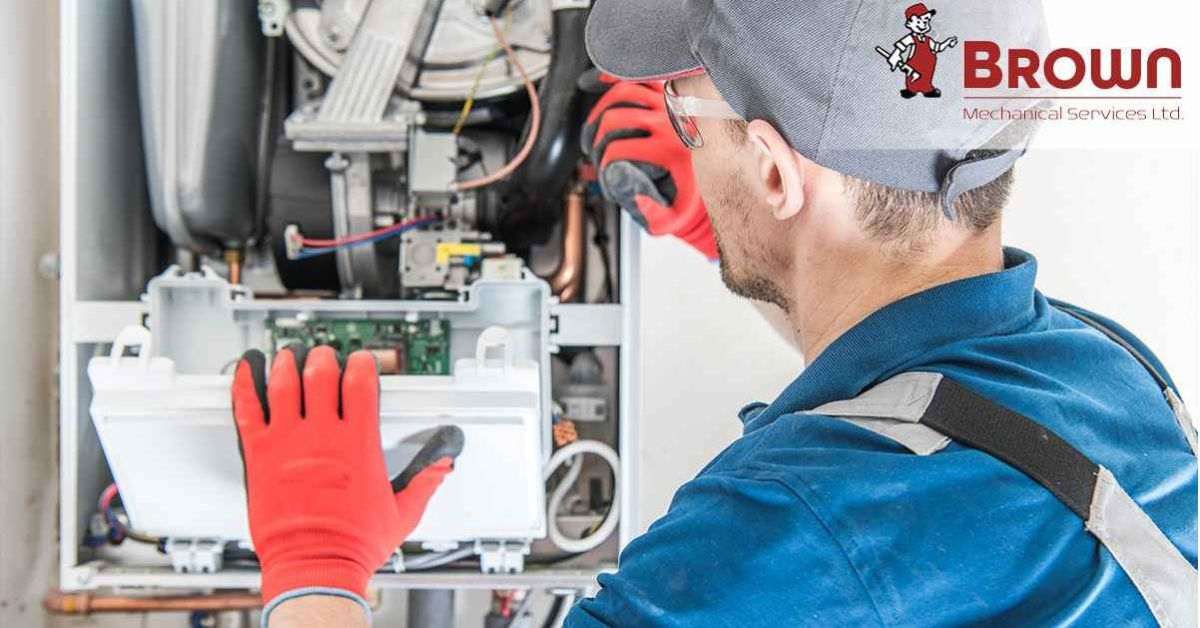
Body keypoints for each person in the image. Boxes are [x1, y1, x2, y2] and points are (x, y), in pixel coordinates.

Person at [232, 1, 1198, 626]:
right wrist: (741, 239)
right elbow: (918, 406)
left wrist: (316, 568)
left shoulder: (782, 533)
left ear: (777, 172)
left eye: (688, 118)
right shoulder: (1107, 369)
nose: (680, 140)